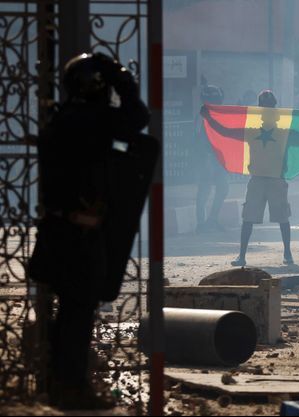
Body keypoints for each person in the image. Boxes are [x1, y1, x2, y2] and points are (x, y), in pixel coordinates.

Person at [28, 52, 150, 409]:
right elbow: (139, 116)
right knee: (78, 314)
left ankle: (57, 383)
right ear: (99, 86)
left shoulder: (59, 120)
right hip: (82, 234)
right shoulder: (98, 121)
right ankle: (73, 389)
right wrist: (121, 76)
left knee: (64, 310)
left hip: (55, 229)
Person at [201, 89, 299, 266]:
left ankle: (284, 254)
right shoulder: (272, 132)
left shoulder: (276, 132)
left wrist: (209, 118)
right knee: (254, 219)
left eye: (267, 107)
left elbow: (225, 131)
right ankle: (246, 256)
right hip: (262, 180)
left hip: (271, 180)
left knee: (277, 218)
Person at [195, 84, 230, 233]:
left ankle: (211, 220)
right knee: (205, 189)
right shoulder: (202, 116)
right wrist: (207, 157)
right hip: (206, 158)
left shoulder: (213, 115)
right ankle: (202, 223)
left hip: (216, 158)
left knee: (222, 188)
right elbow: (199, 140)